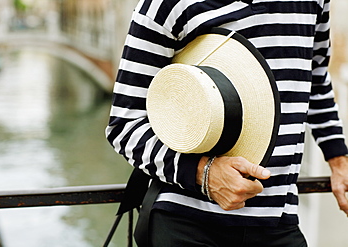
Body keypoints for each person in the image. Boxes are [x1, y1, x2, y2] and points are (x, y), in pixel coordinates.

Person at [106, 0, 348, 246]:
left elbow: (315, 77)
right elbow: (124, 125)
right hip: (185, 222)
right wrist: (203, 173)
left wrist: (339, 159)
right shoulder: (166, 5)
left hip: (278, 222)